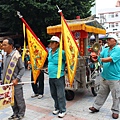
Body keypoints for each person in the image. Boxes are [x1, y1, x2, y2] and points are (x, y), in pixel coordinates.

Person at [89, 34, 120, 119]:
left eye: (110, 39)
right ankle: (96, 107)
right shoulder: (106, 49)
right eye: (108, 39)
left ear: (115, 41)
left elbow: (110, 59)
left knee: (116, 96)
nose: (108, 40)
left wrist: (98, 59)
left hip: (115, 78)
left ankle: (115, 111)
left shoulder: (118, 49)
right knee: (101, 93)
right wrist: (94, 57)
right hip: (105, 76)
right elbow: (99, 56)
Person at [2, 37, 26, 120]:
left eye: (5, 45)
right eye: (2, 44)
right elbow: (4, 69)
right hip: (7, 83)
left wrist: (17, 79)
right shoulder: (5, 56)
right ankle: (15, 113)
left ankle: (21, 114)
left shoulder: (16, 56)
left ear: (11, 46)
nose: (2, 46)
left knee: (19, 99)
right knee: (11, 100)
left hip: (16, 83)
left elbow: (22, 68)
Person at [48, 36, 66, 118]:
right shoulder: (49, 51)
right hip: (51, 76)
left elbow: (68, 60)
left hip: (59, 76)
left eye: (52, 42)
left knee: (60, 94)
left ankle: (63, 110)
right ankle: (57, 107)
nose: (50, 44)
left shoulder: (62, 52)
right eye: (50, 42)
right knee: (53, 93)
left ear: (57, 44)